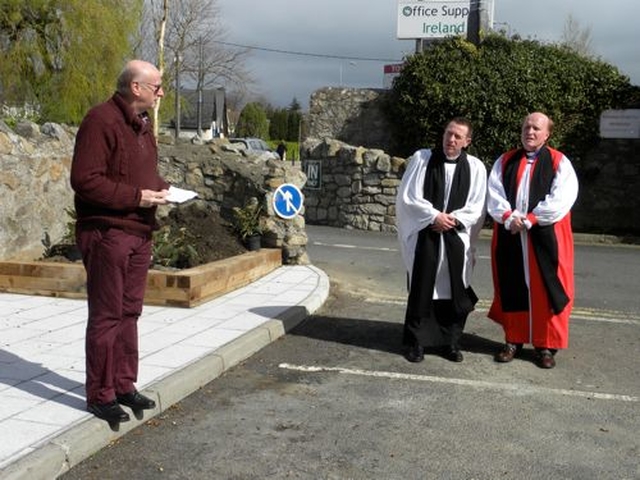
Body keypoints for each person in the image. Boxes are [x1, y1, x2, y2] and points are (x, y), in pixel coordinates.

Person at [70, 60, 170, 423]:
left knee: (130, 313)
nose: (162, 92)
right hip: (108, 233)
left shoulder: (142, 126)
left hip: (139, 233)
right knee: (107, 315)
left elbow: (143, 174)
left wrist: (164, 190)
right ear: (136, 88)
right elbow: (85, 180)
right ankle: (100, 394)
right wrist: (136, 197)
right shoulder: (100, 121)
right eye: (156, 85)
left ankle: (124, 384)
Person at [487, 112, 579, 369]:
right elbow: (493, 193)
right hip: (512, 235)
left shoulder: (559, 162)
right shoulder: (505, 160)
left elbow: (562, 198)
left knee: (547, 290)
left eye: (536, 128)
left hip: (545, 237)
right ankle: (513, 340)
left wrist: (530, 219)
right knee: (513, 285)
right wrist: (509, 217)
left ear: (547, 134)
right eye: (526, 126)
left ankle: (546, 346)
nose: (530, 132)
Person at [396, 117, 487, 363]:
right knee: (423, 286)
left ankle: (451, 342)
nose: (451, 139)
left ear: (467, 141)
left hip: (456, 236)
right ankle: (417, 342)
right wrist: (434, 216)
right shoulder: (422, 159)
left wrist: (453, 220)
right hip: (427, 234)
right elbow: (408, 197)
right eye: (449, 133)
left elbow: (478, 205)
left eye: (458, 136)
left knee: (454, 289)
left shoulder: (476, 168)